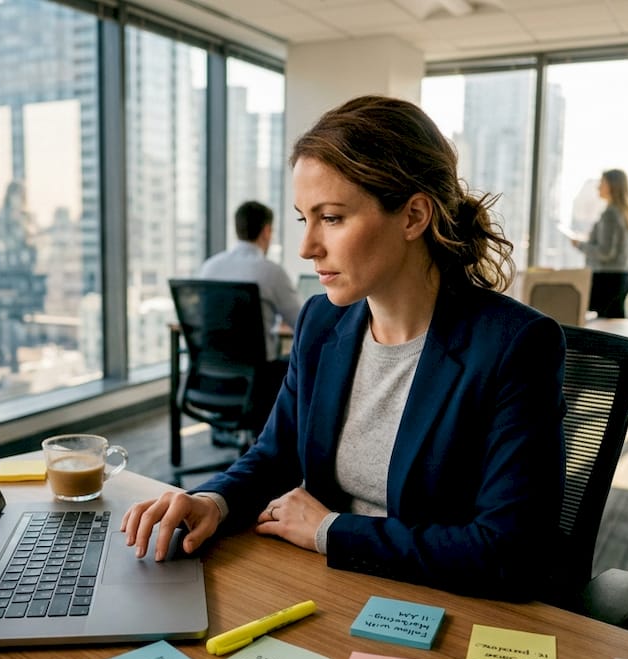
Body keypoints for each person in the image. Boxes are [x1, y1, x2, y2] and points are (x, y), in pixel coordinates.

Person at [122, 95, 567, 601]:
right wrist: (215, 501)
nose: (307, 247)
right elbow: (275, 454)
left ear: (413, 216)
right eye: (302, 219)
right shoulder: (320, 321)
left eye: (331, 218)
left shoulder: (514, 347)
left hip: (440, 605)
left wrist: (329, 530)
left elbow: (510, 552)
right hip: (326, 590)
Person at [199, 200, 303, 362]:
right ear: (267, 231)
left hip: (211, 371)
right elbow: (302, 324)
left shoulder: (209, 267)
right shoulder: (272, 272)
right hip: (259, 375)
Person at [571, 169, 628, 319]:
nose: (598, 187)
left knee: (605, 330)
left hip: (607, 280)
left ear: (613, 186)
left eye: (602, 183)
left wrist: (580, 245)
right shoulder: (623, 212)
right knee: (614, 327)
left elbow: (605, 252)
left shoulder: (610, 214)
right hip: (619, 277)